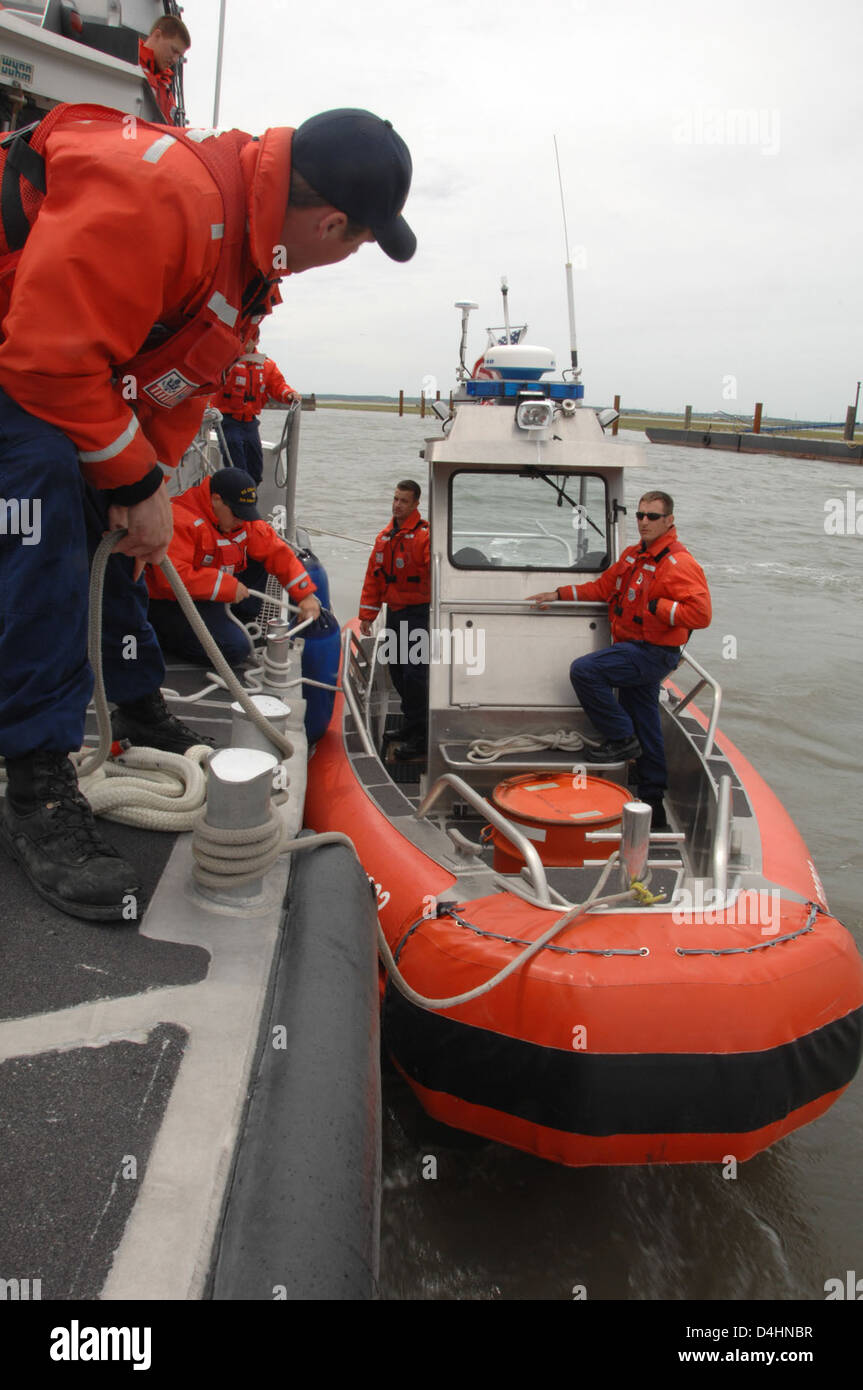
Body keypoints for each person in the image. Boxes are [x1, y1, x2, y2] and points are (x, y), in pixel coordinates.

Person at [0, 102, 415, 922]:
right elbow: (46, 367)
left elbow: (174, 386)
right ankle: (38, 779)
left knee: (120, 517)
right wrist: (128, 484)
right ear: (332, 224)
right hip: (25, 357)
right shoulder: (166, 202)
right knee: (48, 490)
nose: (350, 254)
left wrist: (143, 483)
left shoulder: (245, 245)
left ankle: (131, 701)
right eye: (361, 241)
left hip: (40, 353)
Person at [529, 491, 711, 827]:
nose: (644, 522)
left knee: (585, 671)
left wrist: (661, 608)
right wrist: (558, 594)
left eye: (652, 517)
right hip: (634, 649)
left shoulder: (679, 564)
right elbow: (601, 588)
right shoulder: (633, 556)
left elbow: (701, 614)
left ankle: (622, 739)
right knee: (647, 720)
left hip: (653, 652)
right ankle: (653, 798)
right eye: (640, 515)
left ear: (669, 521)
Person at [147, 468, 320, 664]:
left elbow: (276, 551)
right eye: (237, 514)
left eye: (245, 514)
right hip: (172, 602)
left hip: (213, 592)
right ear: (216, 500)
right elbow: (170, 579)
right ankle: (164, 636)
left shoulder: (241, 521)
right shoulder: (179, 520)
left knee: (262, 555)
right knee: (235, 649)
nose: (241, 520)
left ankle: (239, 620)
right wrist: (225, 587)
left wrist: (304, 594)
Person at [359, 480, 430, 758]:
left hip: (419, 614)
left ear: (415, 504)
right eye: (395, 499)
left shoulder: (425, 536)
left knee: (415, 675)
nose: (397, 505)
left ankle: (422, 735)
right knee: (398, 672)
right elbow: (373, 579)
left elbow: (435, 567)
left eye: (403, 501)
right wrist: (367, 614)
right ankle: (412, 725)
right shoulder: (384, 538)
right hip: (396, 613)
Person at [212, 338, 300, 485]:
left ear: (256, 341)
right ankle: (237, 499)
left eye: (250, 339)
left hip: (250, 423)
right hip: (227, 421)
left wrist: (289, 394)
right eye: (243, 338)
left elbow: (278, 385)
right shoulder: (225, 360)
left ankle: (250, 497)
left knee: (255, 468)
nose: (246, 342)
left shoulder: (267, 365)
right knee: (237, 466)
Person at [138, 15, 190, 125]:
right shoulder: (128, 63)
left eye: (179, 56)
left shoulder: (166, 88)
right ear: (157, 35)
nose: (175, 60)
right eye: (174, 50)